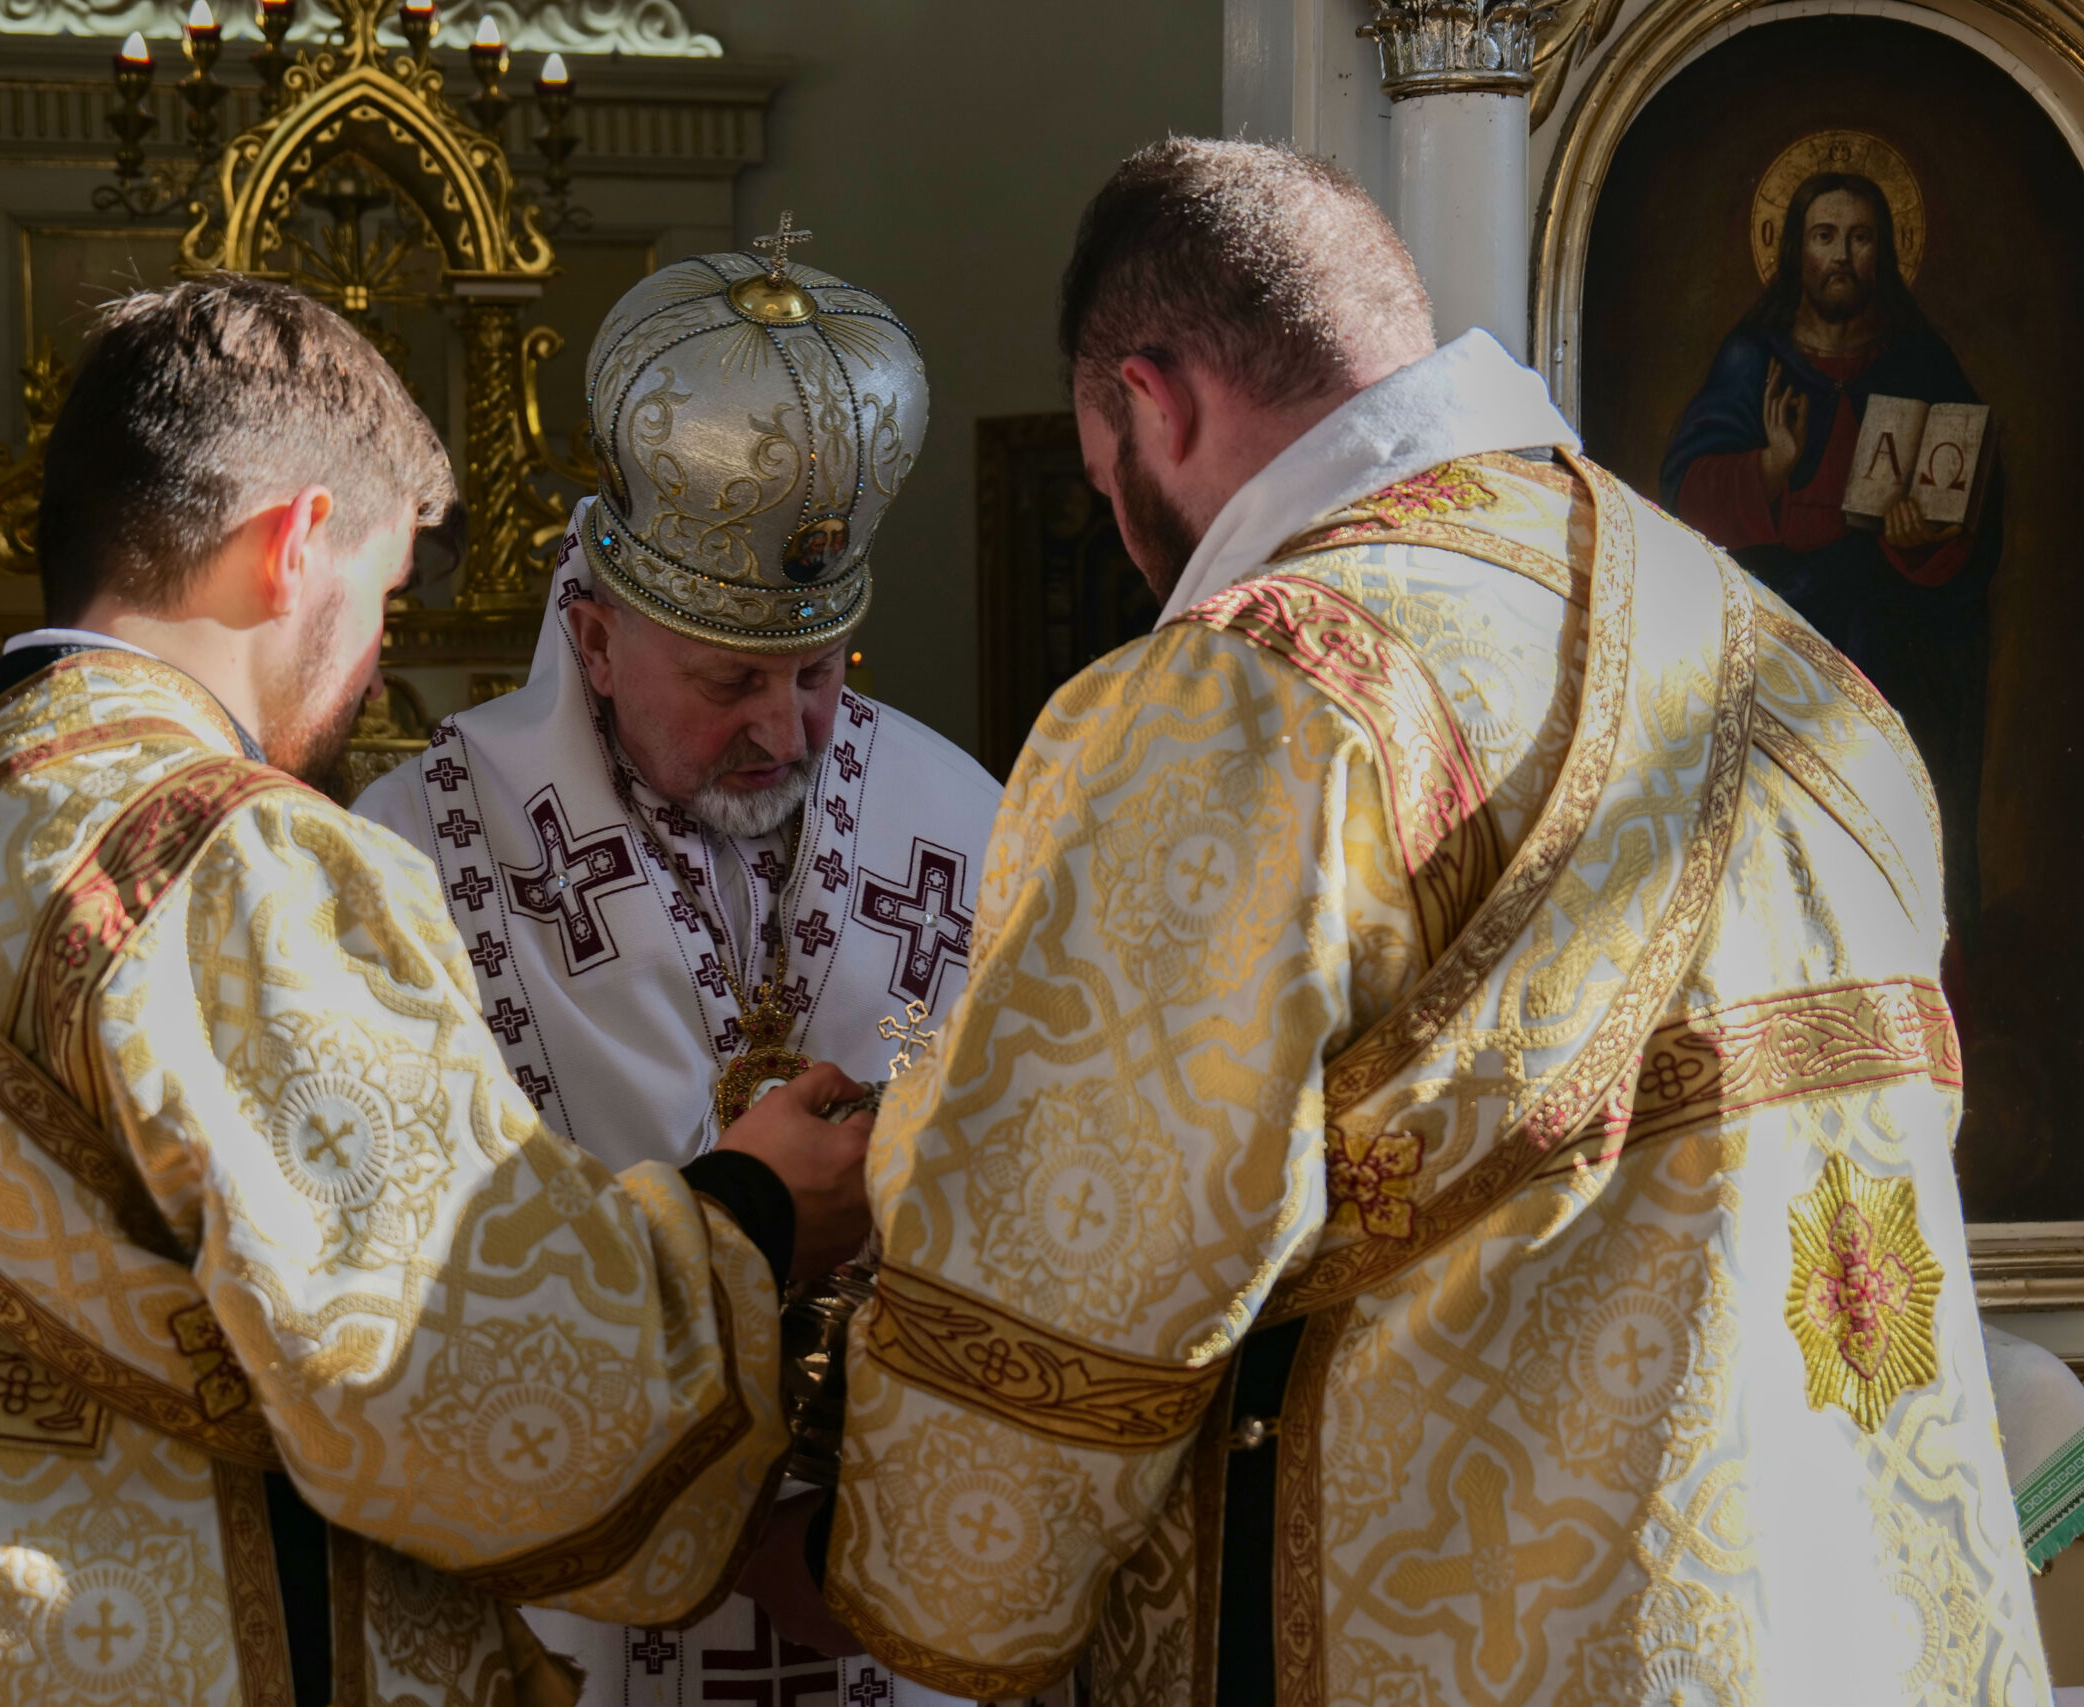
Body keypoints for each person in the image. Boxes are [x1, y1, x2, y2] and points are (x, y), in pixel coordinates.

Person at [785, 140, 2047, 1705]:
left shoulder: (1252, 694)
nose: (1126, 535)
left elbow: (1080, 1274)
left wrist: (899, 1525)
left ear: (1153, 402)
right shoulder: (1807, 674)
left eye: (1109, 480)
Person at [0, 276, 874, 1707]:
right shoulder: (221, 854)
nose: (382, 659)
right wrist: (754, 1214)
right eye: (385, 593)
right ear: (296, 542)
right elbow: (449, 1369)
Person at [357, 242, 1007, 1707]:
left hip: (898, 1615)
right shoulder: (410, 864)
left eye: (823, 669)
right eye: (727, 681)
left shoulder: (963, 816)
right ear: (592, 631)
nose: (788, 729)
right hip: (578, 1626)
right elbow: (397, 1305)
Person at [1661, 171, 1995, 938]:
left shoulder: (1920, 360)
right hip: (1784, 645)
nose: (1842, 255)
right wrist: (1770, 468)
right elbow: (1684, 496)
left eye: (1860, 237)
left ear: (1885, 249)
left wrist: (1925, 544)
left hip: (1896, 652)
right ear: (1792, 250)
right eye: (1824, 236)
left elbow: (1975, 510)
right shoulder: (1753, 361)